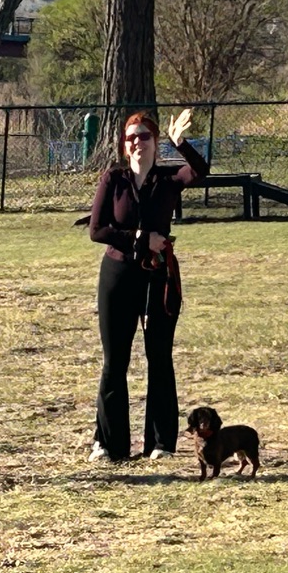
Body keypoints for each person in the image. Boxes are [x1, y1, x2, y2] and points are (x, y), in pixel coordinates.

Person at [87, 108, 209, 462]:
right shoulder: (114, 179)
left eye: (144, 136)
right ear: (124, 146)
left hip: (158, 276)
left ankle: (161, 442)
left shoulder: (168, 179)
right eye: (131, 138)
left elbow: (200, 171)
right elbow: (97, 230)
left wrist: (180, 143)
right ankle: (108, 443)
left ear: (155, 142)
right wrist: (141, 238)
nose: (137, 142)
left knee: (159, 358)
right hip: (118, 274)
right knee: (115, 361)